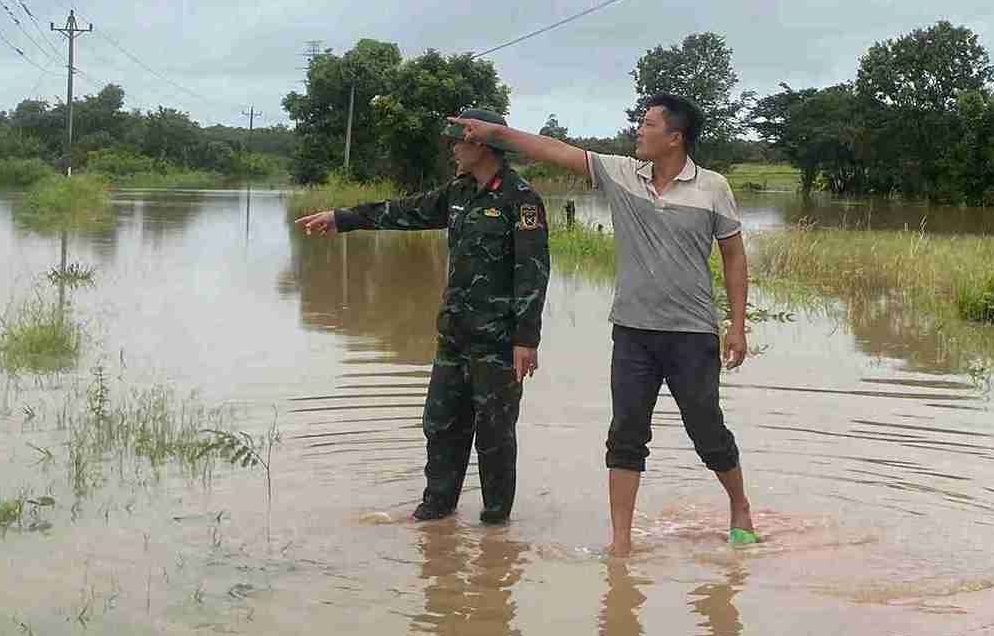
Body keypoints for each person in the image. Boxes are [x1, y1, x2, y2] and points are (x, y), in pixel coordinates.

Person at [448, 95, 756, 557]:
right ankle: (621, 542)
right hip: (633, 333)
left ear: (675, 137)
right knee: (626, 435)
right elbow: (554, 150)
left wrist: (737, 325)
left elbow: (734, 257)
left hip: (692, 333)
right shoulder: (622, 174)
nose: (638, 129)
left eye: (648, 124)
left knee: (707, 431)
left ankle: (740, 507)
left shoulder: (713, 188)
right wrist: (494, 133)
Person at [294, 107, 549, 525]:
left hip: (498, 342)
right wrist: (343, 219)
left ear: (481, 142)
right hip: (454, 336)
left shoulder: (521, 200)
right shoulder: (459, 192)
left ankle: (495, 524)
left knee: (495, 434)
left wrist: (527, 339)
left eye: (458, 141)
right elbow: (403, 211)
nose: (452, 149)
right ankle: (435, 512)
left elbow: (533, 273)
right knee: (440, 423)